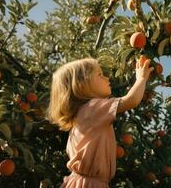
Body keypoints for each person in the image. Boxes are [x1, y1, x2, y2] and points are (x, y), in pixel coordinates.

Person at [47, 57, 154, 188]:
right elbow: (131, 100)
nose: (107, 78)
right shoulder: (92, 108)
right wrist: (141, 78)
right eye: (100, 75)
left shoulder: (83, 114)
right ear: (82, 85)